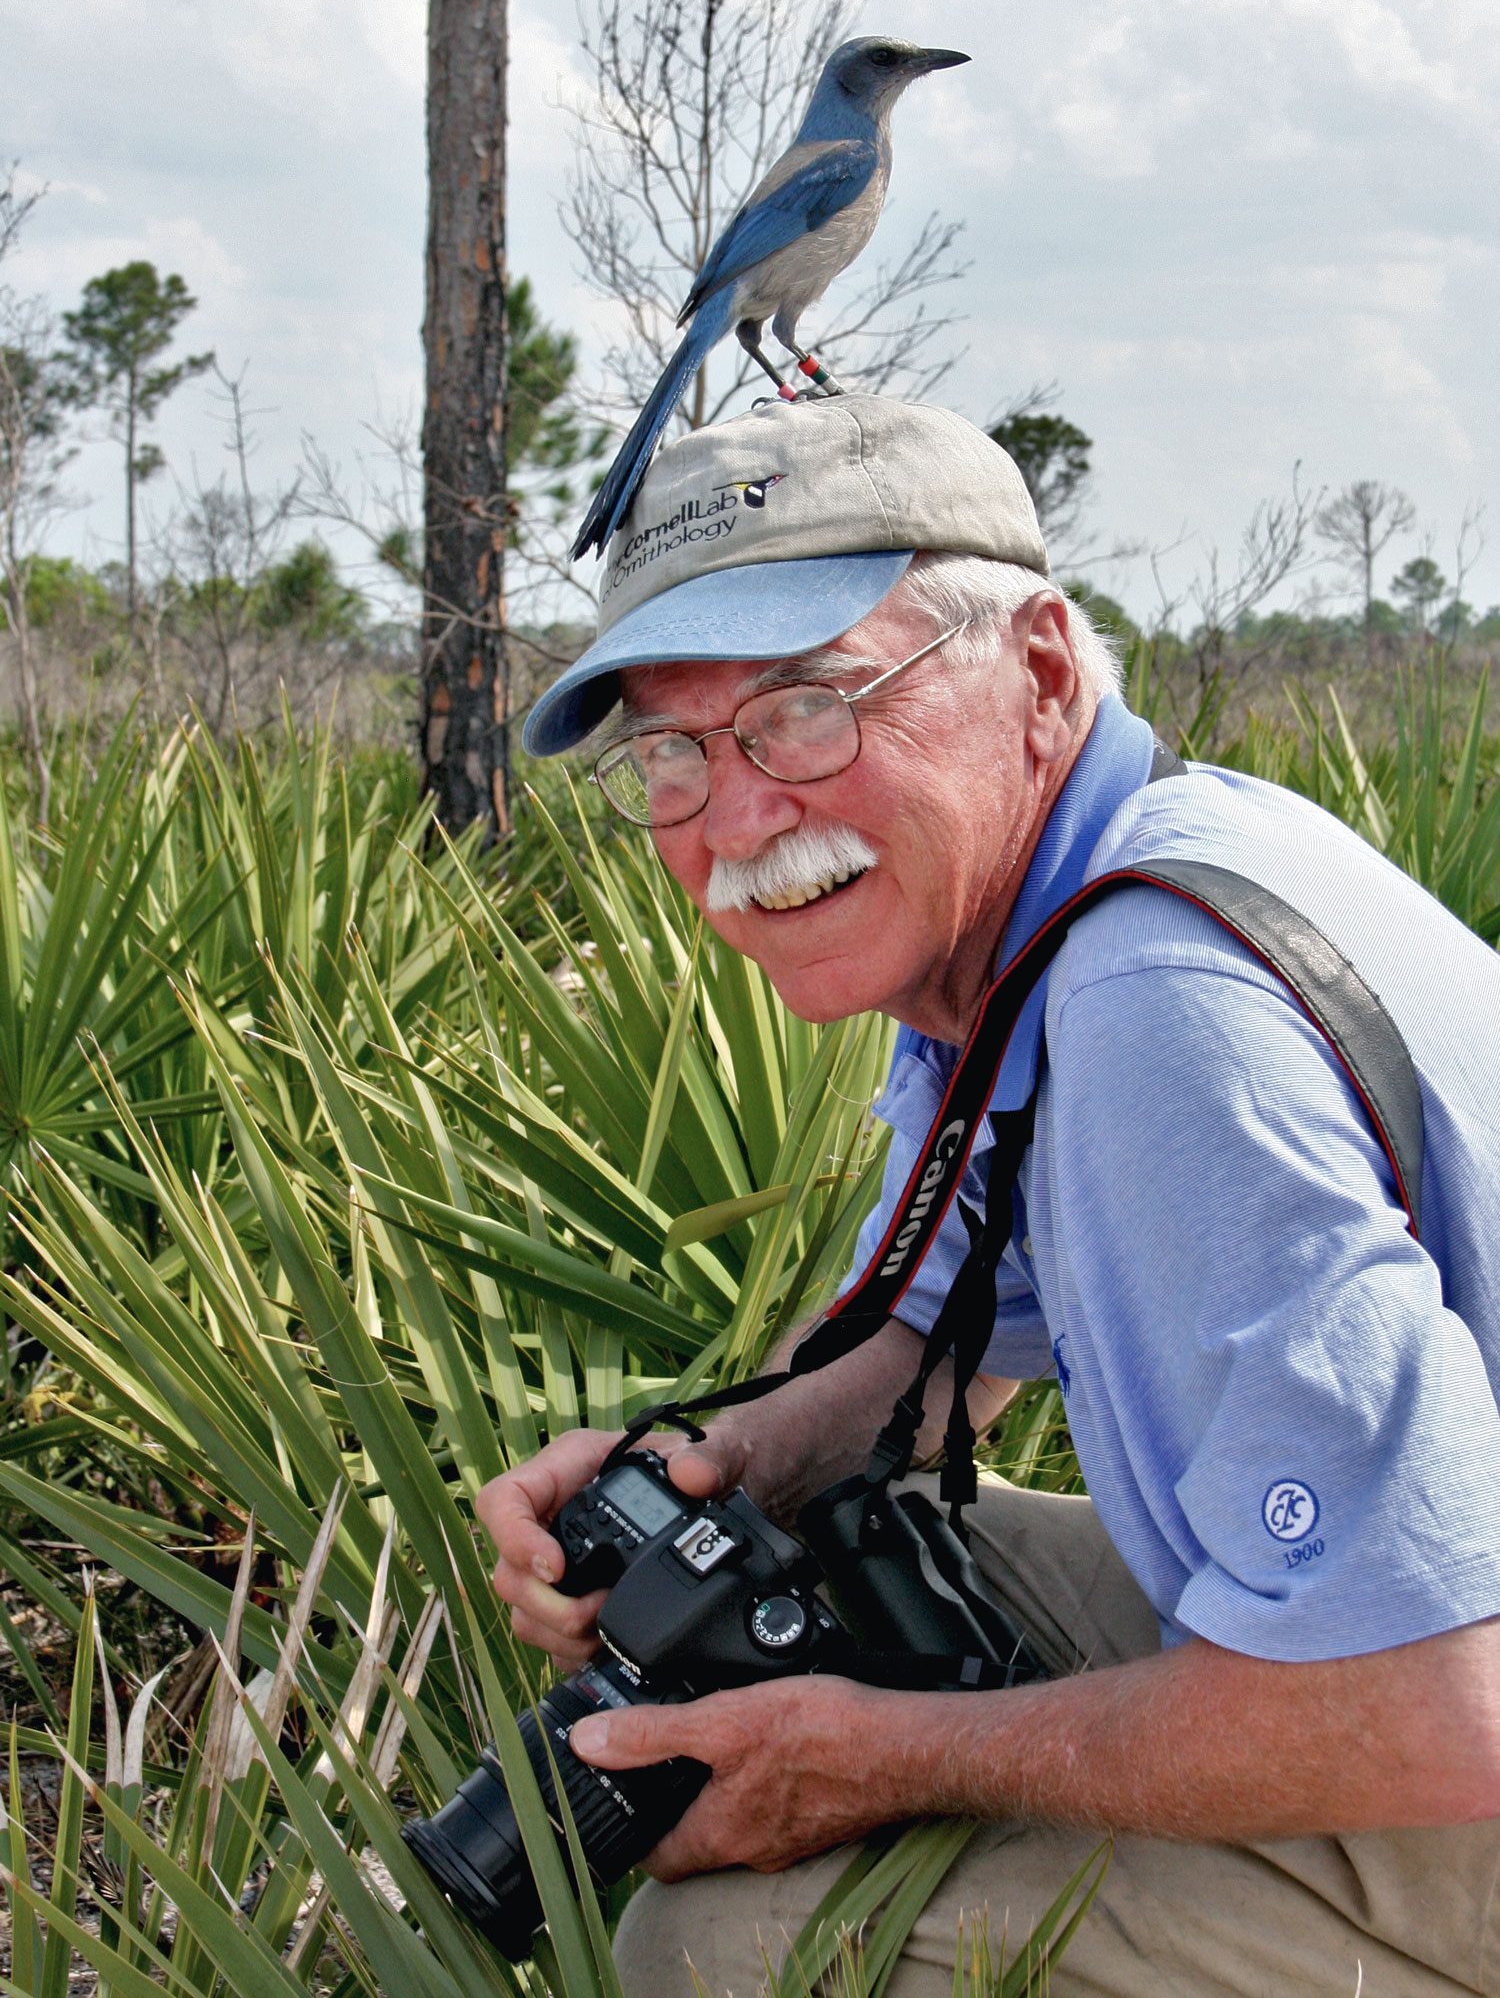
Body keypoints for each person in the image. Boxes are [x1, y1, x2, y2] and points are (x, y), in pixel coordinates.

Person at [477, 395, 1500, 1996]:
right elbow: (941, 1334)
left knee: (717, 1945)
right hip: (1428, 1652)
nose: (739, 820)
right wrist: (717, 1466)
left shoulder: (1159, 1005)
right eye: (674, 753)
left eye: (808, 708)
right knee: (784, 1564)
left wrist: (881, 1759)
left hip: (1450, 1735)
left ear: (1032, 668)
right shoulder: (1041, 923)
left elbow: (1436, 1702)